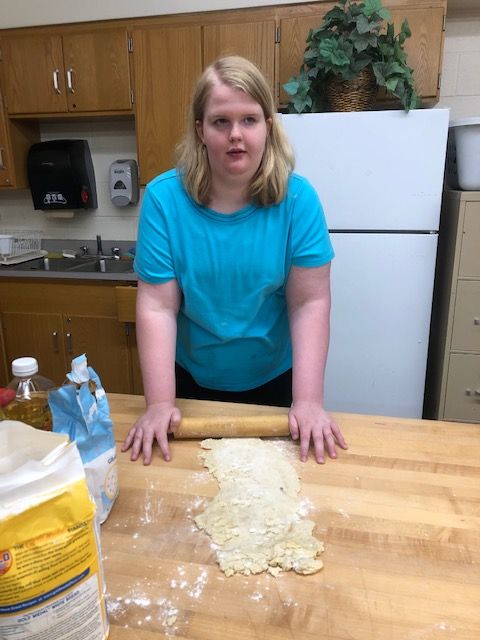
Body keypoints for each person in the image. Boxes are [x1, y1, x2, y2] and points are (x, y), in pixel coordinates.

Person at [122, 55, 347, 465]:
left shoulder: (299, 200)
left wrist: (310, 401)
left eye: (249, 120)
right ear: (200, 131)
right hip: (189, 386)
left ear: (268, 127)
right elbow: (157, 305)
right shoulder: (163, 200)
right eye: (220, 121)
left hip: (276, 384)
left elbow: (308, 302)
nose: (235, 135)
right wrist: (158, 403)